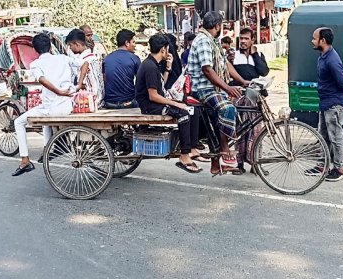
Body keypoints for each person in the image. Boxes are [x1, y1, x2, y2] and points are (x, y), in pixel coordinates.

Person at [187, 11, 250, 176]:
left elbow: (226, 64)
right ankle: (224, 148)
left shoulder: (213, 41)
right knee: (228, 109)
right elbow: (207, 70)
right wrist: (228, 88)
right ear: (217, 26)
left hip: (213, 88)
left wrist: (243, 81)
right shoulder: (202, 41)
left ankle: (216, 164)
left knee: (218, 124)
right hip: (202, 89)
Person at [136, 34, 203, 173]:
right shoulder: (150, 67)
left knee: (194, 109)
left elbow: (161, 86)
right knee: (183, 113)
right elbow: (153, 96)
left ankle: (192, 148)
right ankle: (184, 155)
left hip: (156, 102)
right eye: (167, 49)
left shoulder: (153, 64)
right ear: (163, 50)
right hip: (150, 106)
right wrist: (176, 104)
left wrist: (168, 68)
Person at [12, 32, 75, 177]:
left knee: (19, 122)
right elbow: (84, 64)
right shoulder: (63, 58)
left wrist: (58, 91)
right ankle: (47, 149)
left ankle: (25, 160)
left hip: (53, 109)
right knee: (44, 112)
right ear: (50, 47)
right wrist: (78, 85)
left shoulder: (36, 64)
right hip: (67, 106)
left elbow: (41, 79)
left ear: (35, 50)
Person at [309, 27, 343, 182]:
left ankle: (338, 169)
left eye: (314, 38)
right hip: (325, 103)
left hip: (333, 105)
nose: (312, 41)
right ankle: (322, 165)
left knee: (336, 137)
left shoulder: (332, 60)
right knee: (323, 136)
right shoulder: (323, 56)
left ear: (323, 40)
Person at [229, 28, 270, 174]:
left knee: (257, 131)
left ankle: (256, 164)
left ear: (252, 40)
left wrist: (254, 55)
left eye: (246, 39)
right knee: (240, 131)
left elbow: (264, 71)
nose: (243, 42)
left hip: (255, 97)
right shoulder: (233, 56)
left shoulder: (258, 55)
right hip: (239, 96)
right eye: (241, 38)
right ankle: (239, 164)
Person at [66, 29, 104, 108]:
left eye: (70, 45)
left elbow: (84, 85)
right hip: (100, 99)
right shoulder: (94, 58)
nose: (70, 48)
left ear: (77, 44)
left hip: (91, 102)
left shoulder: (83, 61)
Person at [103, 29, 140, 109]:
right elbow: (141, 81)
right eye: (133, 42)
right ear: (127, 43)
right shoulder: (134, 58)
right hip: (129, 102)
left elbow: (104, 79)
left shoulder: (106, 58)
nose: (135, 45)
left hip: (109, 103)